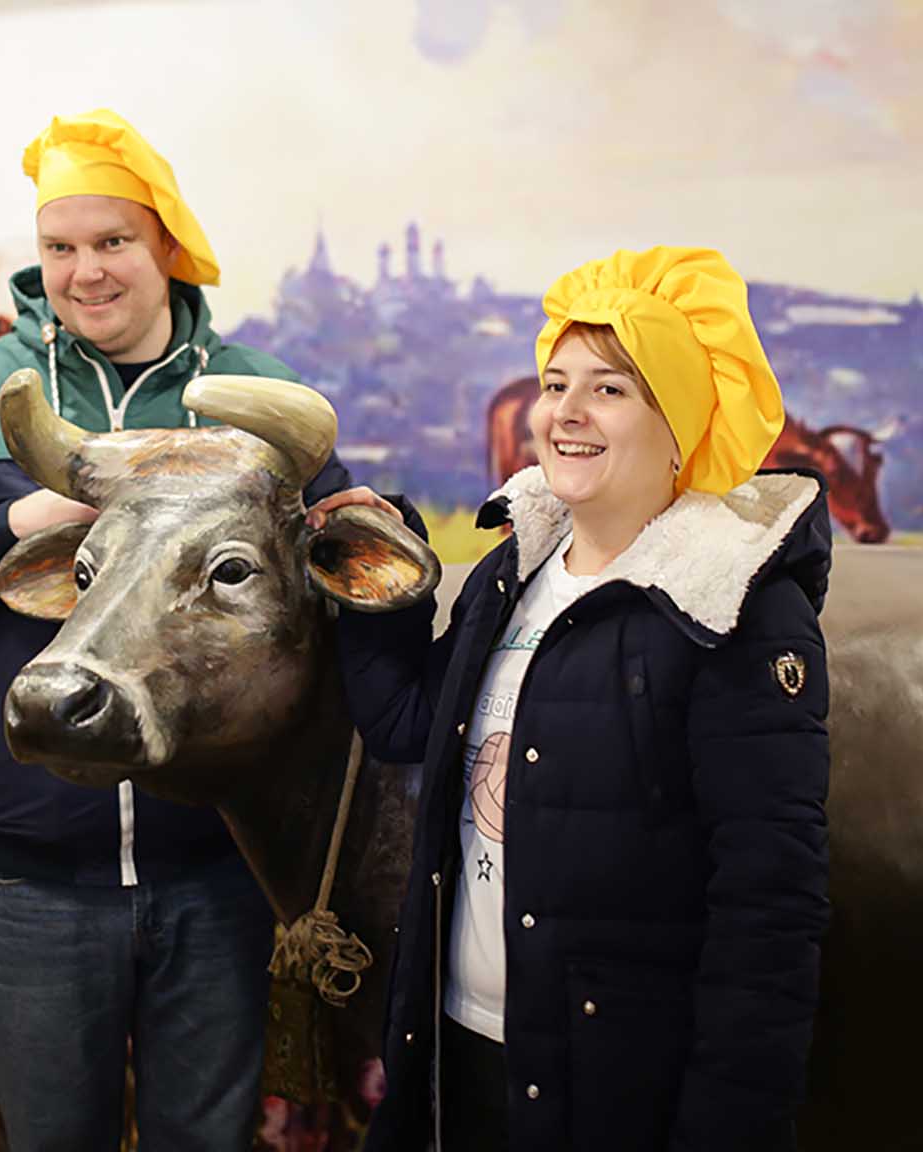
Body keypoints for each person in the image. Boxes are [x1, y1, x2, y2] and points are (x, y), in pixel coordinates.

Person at [0, 108, 358, 1151]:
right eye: (60, 247)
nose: (84, 273)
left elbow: (338, 581)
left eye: (113, 241)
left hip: (220, 871)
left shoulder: (260, 398)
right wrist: (10, 525)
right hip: (34, 877)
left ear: (166, 244)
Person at [310, 247, 833, 1150]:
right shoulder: (511, 574)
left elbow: (768, 912)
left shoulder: (734, 612)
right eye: (555, 385)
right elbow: (407, 724)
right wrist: (377, 562)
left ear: (680, 426)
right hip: (458, 1051)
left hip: (614, 1086)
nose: (566, 412)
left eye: (610, 389)